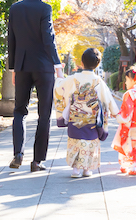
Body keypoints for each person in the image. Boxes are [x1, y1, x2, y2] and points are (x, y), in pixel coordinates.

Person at [8, 0, 64, 172]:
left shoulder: (15, 8)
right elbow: (48, 39)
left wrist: (13, 67)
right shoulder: (44, 9)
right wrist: (57, 65)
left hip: (22, 67)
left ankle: (18, 153)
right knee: (44, 114)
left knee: (19, 111)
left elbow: (11, 40)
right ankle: (37, 161)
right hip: (43, 68)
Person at [54, 48, 119, 178]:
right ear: (98, 64)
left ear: (82, 63)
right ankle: (87, 169)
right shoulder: (98, 81)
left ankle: (75, 170)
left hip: (75, 119)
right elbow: (108, 99)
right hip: (92, 121)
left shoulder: (73, 78)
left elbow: (60, 88)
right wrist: (115, 112)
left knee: (75, 142)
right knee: (89, 144)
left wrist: (59, 73)